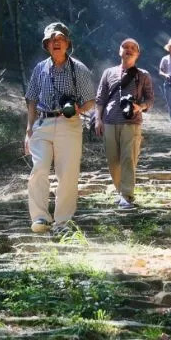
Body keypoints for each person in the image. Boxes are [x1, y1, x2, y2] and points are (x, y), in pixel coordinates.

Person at [24, 22, 96, 234]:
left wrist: (77, 108)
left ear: (67, 43)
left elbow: (90, 101)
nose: (56, 43)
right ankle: (40, 218)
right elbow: (31, 100)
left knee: (67, 174)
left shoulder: (79, 69)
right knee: (39, 169)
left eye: (60, 39)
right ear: (46, 45)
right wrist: (28, 130)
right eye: (52, 40)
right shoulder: (40, 68)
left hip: (69, 124)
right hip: (43, 123)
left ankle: (63, 222)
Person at [95, 38, 155, 209]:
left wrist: (140, 107)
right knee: (113, 161)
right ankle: (121, 191)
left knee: (128, 158)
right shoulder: (108, 73)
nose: (128, 50)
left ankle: (127, 195)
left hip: (131, 122)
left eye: (132, 48)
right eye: (125, 47)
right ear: (119, 51)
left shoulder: (143, 75)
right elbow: (100, 98)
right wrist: (98, 119)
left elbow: (150, 99)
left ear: (137, 54)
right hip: (109, 121)